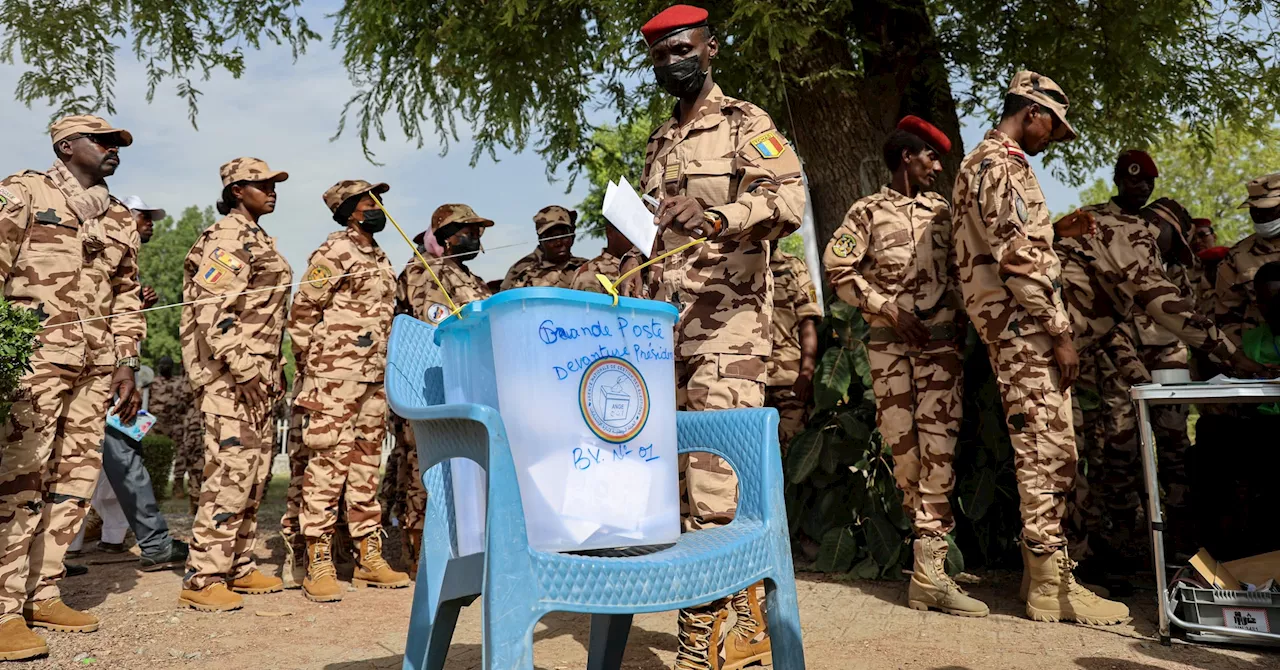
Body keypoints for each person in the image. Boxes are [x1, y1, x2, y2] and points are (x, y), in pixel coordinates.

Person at [617, 6, 806, 666]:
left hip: (727, 333)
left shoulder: (745, 123)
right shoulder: (659, 139)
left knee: (715, 486)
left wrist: (718, 213)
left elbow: (788, 203)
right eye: (661, 52)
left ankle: (723, 636)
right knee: (671, 489)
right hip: (661, 337)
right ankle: (706, 629)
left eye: (683, 47)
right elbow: (654, 239)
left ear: (711, 47)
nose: (673, 59)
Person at [951, 71, 1130, 625]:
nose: (1053, 137)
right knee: (1048, 456)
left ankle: (1045, 580)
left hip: (1008, 327)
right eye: (1053, 125)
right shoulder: (1002, 164)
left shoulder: (978, 164)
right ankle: (1053, 590)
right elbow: (1019, 258)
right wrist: (1060, 331)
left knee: (1044, 453)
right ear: (1032, 111)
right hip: (1025, 329)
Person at [1055, 153, 1253, 586]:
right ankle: (1069, 564)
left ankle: (1086, 557)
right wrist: (1234, 357)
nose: (1169, 255)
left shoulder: (1125, 241)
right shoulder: (1130, 235)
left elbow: (1110, 329)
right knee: (1068, 457)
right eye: (1170, 243)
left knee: (1080, 456)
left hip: (1072, 347)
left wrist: (1140, 379)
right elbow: (1162, 300)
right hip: (1049, 348)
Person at [0, 115, 146, 659]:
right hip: (32, 364)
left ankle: (43, 591)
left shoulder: (118, 216)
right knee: (20, 480)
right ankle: (4, 607)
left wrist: (125, 363)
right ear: (66, 145)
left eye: (118, 144)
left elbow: (126, 294)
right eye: (103, 141)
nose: (114, 150)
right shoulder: (22, 193)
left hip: (94, 366)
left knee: (74, 481)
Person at [824, 116, 981, 616]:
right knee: (904, 449)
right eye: (931, 157)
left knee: (940, 448)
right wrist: (889, 309)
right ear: (908, 156)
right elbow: (836, 268)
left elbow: (965, 269)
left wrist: (956, 315)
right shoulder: (867, 211)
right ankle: (928, 556)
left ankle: (930, 569)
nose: (938, 166)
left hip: (939, 349)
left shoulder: (944, 212)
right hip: (889, 346)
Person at [178, 157, 292, 612]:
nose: (272, 190)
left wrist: (272, 367)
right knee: (229, 472)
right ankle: (203, 576)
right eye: (261, 184)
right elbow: (214, 309)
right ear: (236, 190)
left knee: (256, 472)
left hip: (258, 373)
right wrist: (244, 368)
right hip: (230, 377)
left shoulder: (255, 236)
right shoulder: (226, 236)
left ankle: (237, 564)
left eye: (273, 184)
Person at [288, 180, 409, 603]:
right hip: (334, 379)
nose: (379, 207)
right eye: (370, 200)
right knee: (327, 465)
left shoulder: (380, 256)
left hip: (373, 378)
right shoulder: (333, 251)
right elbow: (303, 312)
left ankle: (366, 555)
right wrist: (315, 370)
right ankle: (317, 557)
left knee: (364, 466)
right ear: (350, 209)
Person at [1215, 172, 1280, 349]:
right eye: (1254, 209)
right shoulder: (1238, 255)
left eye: (1268, 209)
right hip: (1262, 354)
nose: (1260, 215)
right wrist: (1242, 357)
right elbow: (1226, 314)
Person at [765, 246, 820, 453]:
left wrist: (807, 372)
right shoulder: (734, 263)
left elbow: (808, 322)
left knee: (793, 451)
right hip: (746, 378)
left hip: (789, 380)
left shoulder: (793, 266)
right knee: (754, 454)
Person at [500, 205, 588, 290]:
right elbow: (505, 303)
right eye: (552, 238)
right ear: (541, 240)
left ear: (572, 236)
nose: (559, 242)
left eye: (564, 235)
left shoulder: (587, 267)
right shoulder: (521, 271)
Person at [151, 357, 193, 497]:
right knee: (156, 454)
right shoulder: (152, 383)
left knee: (181, 454)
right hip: (156, 424)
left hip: (176, 423)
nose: (164, 367)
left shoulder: (179, 382)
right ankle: (156, 487)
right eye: (162, 365)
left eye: (167, 365)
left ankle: (178, 485)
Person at [569, 222, 635, 293]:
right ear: (609, 232)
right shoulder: (591, 271)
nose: (634, 237)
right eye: (628, 232)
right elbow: (586, 303)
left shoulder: (642, 267)